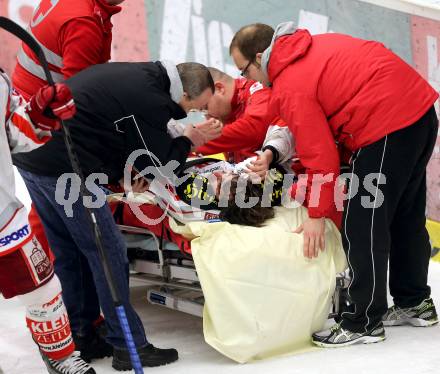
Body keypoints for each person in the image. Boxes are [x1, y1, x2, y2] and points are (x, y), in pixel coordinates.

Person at [229, 22, 439, 347]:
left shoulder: (291, 84)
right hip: (419, 112)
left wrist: (316, 213)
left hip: (385, 123)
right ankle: (414, 302)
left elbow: (320, 156)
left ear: (260, 57)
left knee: (362, 222)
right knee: (404, 213)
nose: (246, 80)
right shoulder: (309, 46)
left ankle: (362, 321)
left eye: (244, 71)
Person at [13, 61, 220, 371]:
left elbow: (119, 131)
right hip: (65, 168)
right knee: (107, 252)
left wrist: (125, 172)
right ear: (186, 95)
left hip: (33, 159)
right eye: (198, 107)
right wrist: (189, 140)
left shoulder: (143, 76)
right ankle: (128, 345)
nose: (197, 114)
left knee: (71, 251)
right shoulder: (153, 101)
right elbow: (164, 169)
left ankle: (82, 335)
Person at [12, 0, 125, 360]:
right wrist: (110, 163)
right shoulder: (84, 22)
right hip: (46, 129)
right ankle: (76, 325)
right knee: (87, 241)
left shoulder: (78, 6)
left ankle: (78, 326)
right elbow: (84, 95)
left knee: (55, 230)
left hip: (28, 121)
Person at [0, 70, 96, 373]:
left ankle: (61, 356)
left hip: (2, 216)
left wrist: (38, 115)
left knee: (43, 289)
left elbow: (15, 133)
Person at [195, 67, 291, 177]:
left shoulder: (258, 88)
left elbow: (253, 129)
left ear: (219, 88)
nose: (207, 116)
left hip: (297, 178)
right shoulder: (225, 113)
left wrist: (190, 142)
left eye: (205, 107)